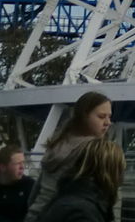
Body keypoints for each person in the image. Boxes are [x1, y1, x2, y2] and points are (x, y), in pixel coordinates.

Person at [25, 91, 113, 222]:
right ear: (84, 117)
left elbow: (36, 192)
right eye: (101, 116)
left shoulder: (56, 144)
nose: (108, 122)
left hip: (37, 215)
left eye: (109, 117)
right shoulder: (93, 150)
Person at [32, 138, 123, 222]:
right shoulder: (82, 212)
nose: (121, 177)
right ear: (110, 172)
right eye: (121, 169)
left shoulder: (69, 196)